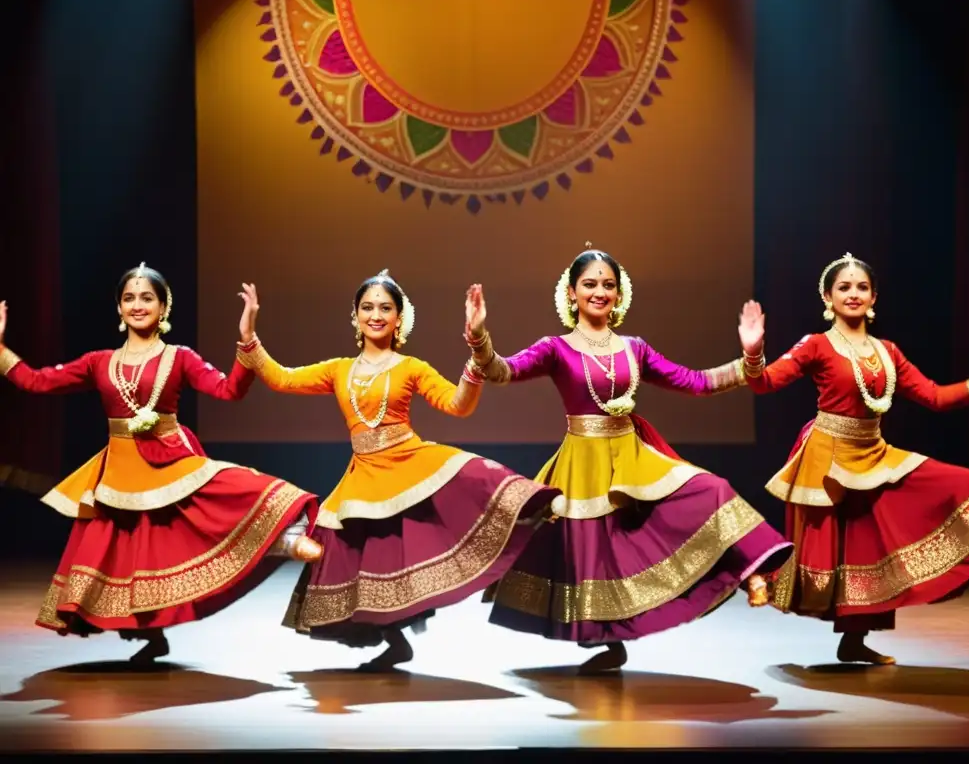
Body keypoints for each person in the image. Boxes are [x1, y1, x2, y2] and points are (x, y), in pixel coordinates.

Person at [464, 244, 793, 674]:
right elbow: (502, 371)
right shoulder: (556, 348)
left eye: (608, 285)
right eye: (590, 284)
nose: (599, 291)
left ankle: (749, 568)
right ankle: (609, 643)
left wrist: (750, 357)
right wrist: (478, 338)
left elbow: (694, 382)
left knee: (711, 490)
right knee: (594, 557)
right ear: (572, 293)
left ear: (620, 295)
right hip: (583, 464)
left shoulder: (634, 348)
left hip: (632, 456)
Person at [235, 270, 563, 671]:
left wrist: (477, 347)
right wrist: (249, 334)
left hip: (407, 468)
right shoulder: (339, 370)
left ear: (399, 318)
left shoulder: (410, 368)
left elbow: (458, 405)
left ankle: (400, 632)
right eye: (367, 307)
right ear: (354, 318)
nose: (376, 314)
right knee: (358, 560)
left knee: (397, 554)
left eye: (385, 308)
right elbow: (282, 378)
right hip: (363, 479)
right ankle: (392, 639)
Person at [0, 263, 322, 665]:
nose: (138, 305)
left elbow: (229, 390)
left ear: (164, 307)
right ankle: (151, 634)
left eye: (147, 297)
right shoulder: (99, 361)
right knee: (128, 550)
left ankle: (284, 534)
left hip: (169, 460)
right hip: (119, 472)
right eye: (129, 298)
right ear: (118, 309)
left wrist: (247, 338)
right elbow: (37, 380)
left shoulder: (179, 357)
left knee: (225, 492)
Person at [737, 252, 969, 665]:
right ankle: (759, 575)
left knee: (877, 542)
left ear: (874, 297)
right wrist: (753, 351)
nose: (853, 294)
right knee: (832, 557)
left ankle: (854, 641)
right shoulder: (816, 345)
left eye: (862, 287)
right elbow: (764, 384)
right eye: (844, 287)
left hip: (874, 454)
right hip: (829, 462)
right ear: (827, 296)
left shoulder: (887, 351)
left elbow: (934, 396)